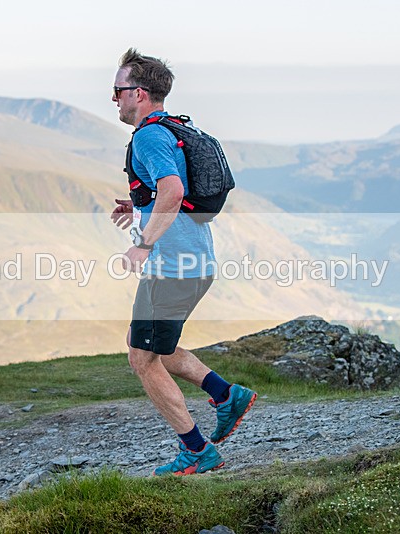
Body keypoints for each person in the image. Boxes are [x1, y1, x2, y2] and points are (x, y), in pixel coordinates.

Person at [109, 48, 257, 476]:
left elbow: (173, 191)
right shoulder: (169, 128)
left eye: (117, 91)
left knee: (142, 358)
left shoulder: (149, 136)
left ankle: (197, 450)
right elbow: (168, 193)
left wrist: (143, 241)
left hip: (173, 268)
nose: (114, 99)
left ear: (138, 92)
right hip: (195, 263)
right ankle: (226, 395)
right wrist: (139, 207)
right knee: (159, 347)